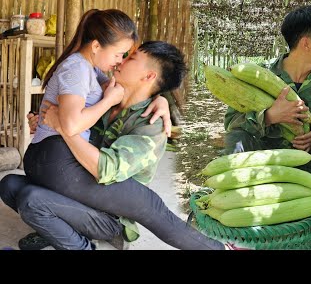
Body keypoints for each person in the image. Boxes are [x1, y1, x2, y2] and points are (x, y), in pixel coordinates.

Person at [0, 41, 233, 250]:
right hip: (78, 186)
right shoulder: (106, 95)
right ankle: (56, 231)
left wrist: (63, 126)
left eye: (131, 58)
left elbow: (105, 168)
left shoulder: (151, 126)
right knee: (10, 184)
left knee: (33, 201)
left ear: (149, 76)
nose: (121, 60)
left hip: (109, 214)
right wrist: (45, 122)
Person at [224, 5, 311, 175]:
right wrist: (269, 116)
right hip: (266, 163)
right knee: (235, 140)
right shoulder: (260, 74)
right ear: (306, 44)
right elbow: (231, 122)